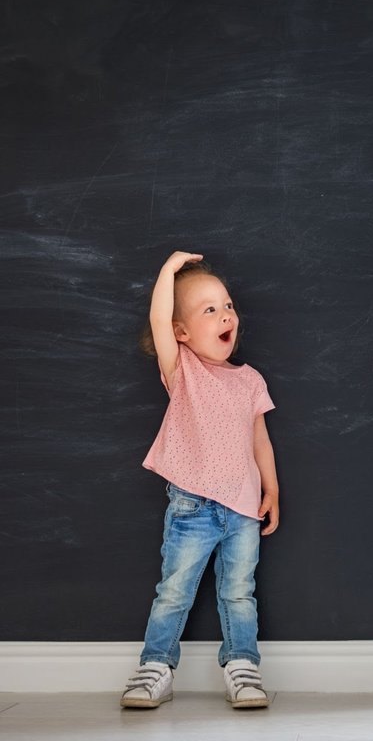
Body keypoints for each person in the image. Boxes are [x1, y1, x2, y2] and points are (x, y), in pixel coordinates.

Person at [120, 251, 279, 709]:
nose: (225, 314)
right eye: (209, 309)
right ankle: (155, 667)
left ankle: (243, 667)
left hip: (243, 509)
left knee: (239, 593)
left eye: (226, 305)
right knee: (174, 590)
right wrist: (169, 272)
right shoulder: (182, 370)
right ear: (181, 332)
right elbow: (157, 316)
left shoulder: (250, 379)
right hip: (191, 507)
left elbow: (260, 442)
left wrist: (271, 489)